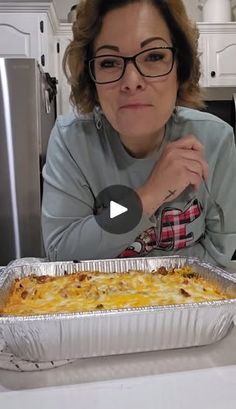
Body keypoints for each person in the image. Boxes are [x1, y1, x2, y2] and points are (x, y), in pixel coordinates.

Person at [42, 0, 236, 267]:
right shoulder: (71, 142)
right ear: (91, 78)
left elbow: (223, 257)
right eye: (109, 62)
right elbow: (61, 251)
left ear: (180, 67)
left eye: (154, 57)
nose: (131, 82)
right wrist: (146, 198)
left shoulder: (216, 141)